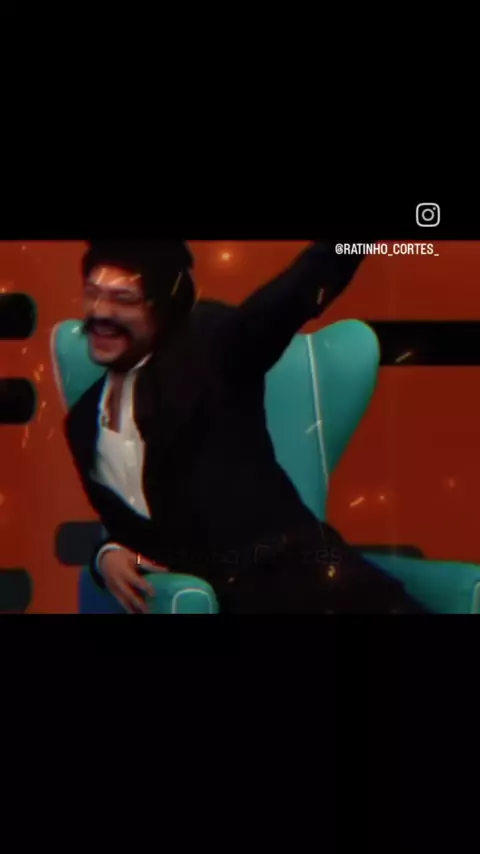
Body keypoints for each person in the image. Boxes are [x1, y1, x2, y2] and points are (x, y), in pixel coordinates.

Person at [64, 239, 429, 614]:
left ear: (165, 306)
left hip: (305, 579)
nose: (100, 312)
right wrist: (106, 555)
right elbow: (142, 534)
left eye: (124, 299)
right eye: (93, 294)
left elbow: (292, 294)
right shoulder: (82, 424)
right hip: (217, 600)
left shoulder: (207, 347)